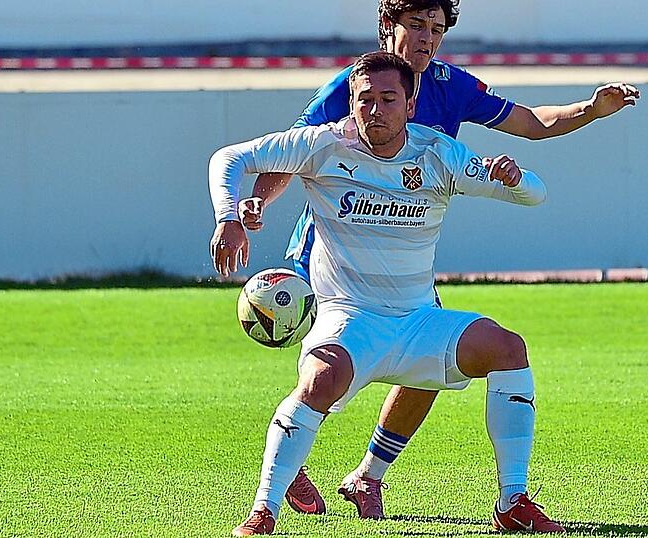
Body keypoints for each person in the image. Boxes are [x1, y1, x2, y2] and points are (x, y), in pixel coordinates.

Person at [243, 0, 639, 519]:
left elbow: (533, 123)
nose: (427, 38)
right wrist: (257, 204)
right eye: (415, 25)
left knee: (427, 360)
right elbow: (289, 151)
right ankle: (286, 469)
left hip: (401, 242)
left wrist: (591, 110)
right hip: (333, 243)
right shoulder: (354, 84)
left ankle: (367, 475)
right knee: (326, 362)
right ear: (389, 27)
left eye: (436, 28)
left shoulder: (453, 86)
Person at [211, 52, 562, 536]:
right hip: (349, 319)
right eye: (364, 100)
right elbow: (230, 157)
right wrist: (229, 216)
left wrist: (515, 178)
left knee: (508, 349)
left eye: (388, 99)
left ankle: (513, 500)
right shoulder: (323, 145)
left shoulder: (438, 153)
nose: (375, 110)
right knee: (318, 380)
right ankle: (262, 511)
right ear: (351, 103)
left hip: (418, 321)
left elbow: (536, 194)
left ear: (411, 103)